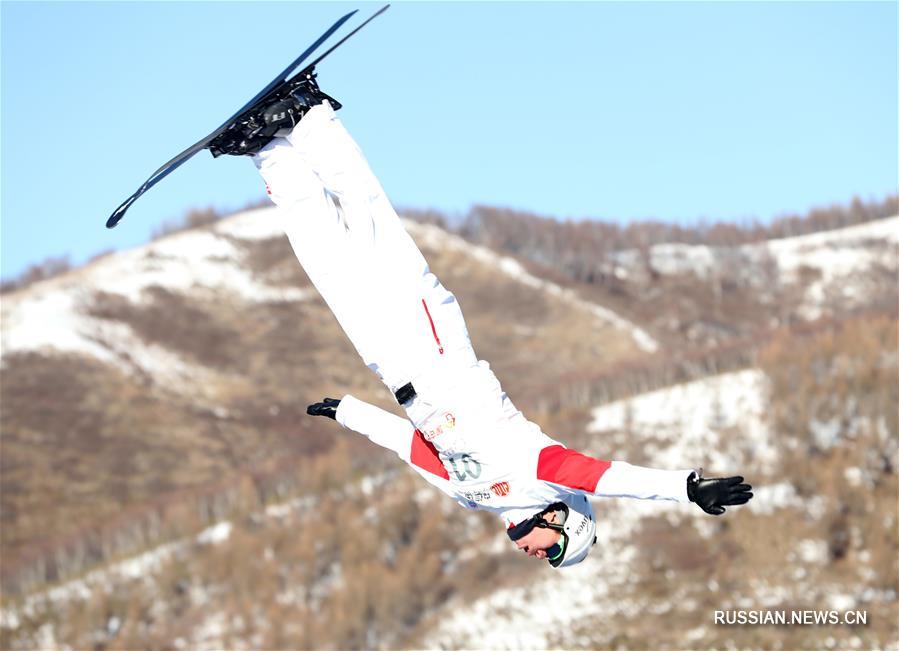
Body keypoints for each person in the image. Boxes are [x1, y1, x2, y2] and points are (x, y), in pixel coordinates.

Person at [210, 74, 753, 568]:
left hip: (398, 375)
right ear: (564, 522)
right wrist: (686, 489)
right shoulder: (543, 477)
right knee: (372, 230)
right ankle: (310, 119)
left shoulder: (474, 496)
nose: (540, 555)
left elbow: (415, 448)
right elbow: (606, 476)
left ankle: (269, 148)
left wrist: (351, 413)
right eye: (553, 553)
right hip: (438, 350)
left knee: (326, 262)